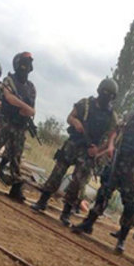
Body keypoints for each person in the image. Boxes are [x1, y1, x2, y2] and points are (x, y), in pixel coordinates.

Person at [72, 85, 134, 255]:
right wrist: (110, 146)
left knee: (131, 204)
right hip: (119, 161)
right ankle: (89, 223)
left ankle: (122, 238)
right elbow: (115, 132)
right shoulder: (131, 116)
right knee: (104, 192)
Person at [31, 78, 118, 226]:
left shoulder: (112, 116)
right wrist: (76, 122)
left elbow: (111, 139)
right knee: (57, 172)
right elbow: (70, 117)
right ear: (99, 91)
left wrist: (98, 150)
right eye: (105, 93)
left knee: (79, 182)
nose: (106, 96)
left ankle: (66, 212)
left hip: (89, 150)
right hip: (73, 144)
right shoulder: (85, 104)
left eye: (110, 95)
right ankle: (42, 201)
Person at [0, 52, 36, 203]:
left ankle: (16, 186)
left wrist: (28, 110)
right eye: (24, 64)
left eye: (28, 64)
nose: (26, 67)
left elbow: (32, 109)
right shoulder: (9, 80)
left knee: (16, 156)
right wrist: (25, 107)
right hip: (6, 120)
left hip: (20, 125)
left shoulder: (31, 88)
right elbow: (9, 98)